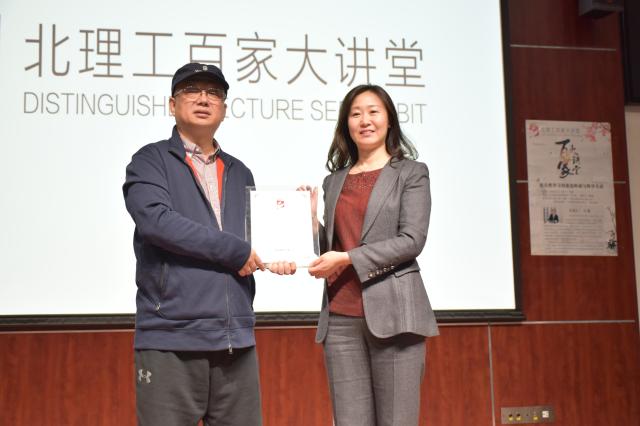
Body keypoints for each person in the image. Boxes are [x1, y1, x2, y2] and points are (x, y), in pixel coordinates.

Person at [123, 62, 292, 426]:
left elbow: (255, 239)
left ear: (224, 109)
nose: (203, 99)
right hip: (171, 338)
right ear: (172, 104)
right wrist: (237, 251)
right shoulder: (150, 161)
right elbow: (157, 223)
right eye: (192, 91)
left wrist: (286, 248)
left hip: (235, 340)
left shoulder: (239, 171)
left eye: (214, 93)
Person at [308, 84, 439, 425]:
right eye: (355, 114)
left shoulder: (411, 173)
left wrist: (347, 258)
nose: (364, 120)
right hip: (341, 318)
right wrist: (309, 219)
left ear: (389, 119)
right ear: (346, 124)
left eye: (373, 112)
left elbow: (411, 240)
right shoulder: (334, 181)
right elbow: (331, 249)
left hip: (396, 316)